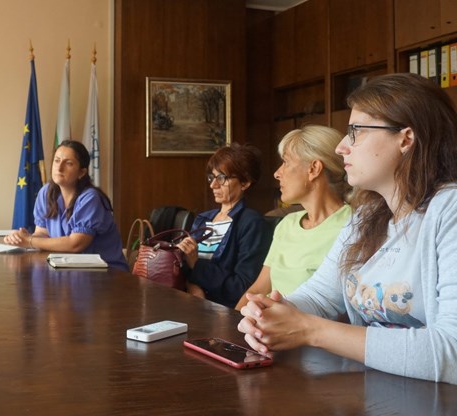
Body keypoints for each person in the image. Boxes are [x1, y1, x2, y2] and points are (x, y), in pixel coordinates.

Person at [238, 73, 457, 384]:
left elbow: (451, 352)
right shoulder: (366, 215)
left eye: (356, 131)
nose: (341, 147)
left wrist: (310, 330)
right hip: (372, 391)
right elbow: (320, 295)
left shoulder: (449, 209)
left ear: (405, 139)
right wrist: (270, 313)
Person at [234, 125, 352, 310]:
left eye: (286, 162)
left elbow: (345, 307)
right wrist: (233, 322)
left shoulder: (353, 225)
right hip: (262, 321)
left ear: (314, 168)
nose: (277, 173)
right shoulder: (287, 224)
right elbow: (258, 289)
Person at [4, 140, 128, 271]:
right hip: (69, 268)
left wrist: (29, 240)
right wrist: (20, 238)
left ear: (82, 172)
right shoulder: (46, 192)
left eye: (68, 163)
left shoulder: (90, 198)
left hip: (106, 273)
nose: (59, 168)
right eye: (57, 161)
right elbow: (43, 233)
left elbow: (76, 244)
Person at [176, 144, 273, 308]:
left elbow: (241, 287)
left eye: (222, 178)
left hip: (223, 309)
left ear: (245, 182)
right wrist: (194, 288)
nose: (213, 185)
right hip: (190, 299)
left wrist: (197, 265)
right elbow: (185, 266)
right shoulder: (203, 219)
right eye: (211, 177)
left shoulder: (252, 223)